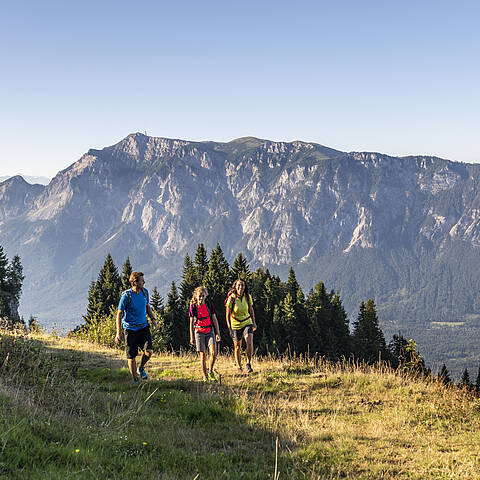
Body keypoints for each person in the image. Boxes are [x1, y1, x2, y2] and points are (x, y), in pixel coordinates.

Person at [115, 271, 157, 384]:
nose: (144, 282)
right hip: (130, 330)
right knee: (131, 356)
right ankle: (134, 378)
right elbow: (119, 314)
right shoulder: (126, 296)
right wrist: (118, 332)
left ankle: (141, 367)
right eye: (142, 280)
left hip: (143, 327)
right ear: (135, 282)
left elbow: (147, 307)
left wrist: (153, 319)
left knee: (149, 351)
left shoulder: (145, 292)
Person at [189, 286, 221, 381]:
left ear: (205, 296)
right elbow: (191, 323)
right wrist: (192, 337)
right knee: (203, 355)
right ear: (196, 296)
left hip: (209, 331)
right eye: (199, 296)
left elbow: (214, 319)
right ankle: (204, 376)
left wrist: (217, 333)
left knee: (214, 352)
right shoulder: (193, 307)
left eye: (203, 296)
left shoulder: (209, 304)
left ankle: (210, 371)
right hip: (199, 332)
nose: (201, 298)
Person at [225, 279, 257, 373]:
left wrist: (254, 322)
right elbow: (227, 314)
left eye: (242, 285)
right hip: (235, 324)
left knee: (249, 342)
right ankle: (239, 367)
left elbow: (251, 310)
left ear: (245, 287)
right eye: (239, 285)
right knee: (237, 347)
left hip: (247, 322)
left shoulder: (247, 297)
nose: (240, 287)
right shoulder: (232, 298)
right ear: (235, 286)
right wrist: (229, 328)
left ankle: (248, 363)